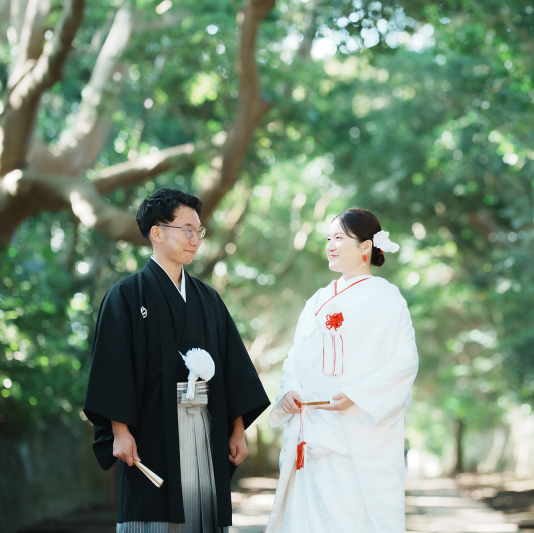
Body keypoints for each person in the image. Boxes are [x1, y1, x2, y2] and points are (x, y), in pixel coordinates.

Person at [84, 188, 270, 533]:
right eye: (186, 229)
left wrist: (237, 430)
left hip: (206, 426)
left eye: (198, 231)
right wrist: (119, 432)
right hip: (151, 430)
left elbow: (233, 368)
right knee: (152, 516)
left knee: (203, 514)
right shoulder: (125, 295)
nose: (195, 239)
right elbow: (113, 369)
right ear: (157, 232)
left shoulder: (209, 299)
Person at [265, 207, 419, 533]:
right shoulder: (317, 300)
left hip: (358, 433)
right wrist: (289, 391)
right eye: (328, 239)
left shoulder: (387, 299)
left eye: (339, 238)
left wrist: (356, 395)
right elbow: (295, 359)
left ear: (366, 246)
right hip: (312, 430)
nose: (331, 246)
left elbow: (404, 361)